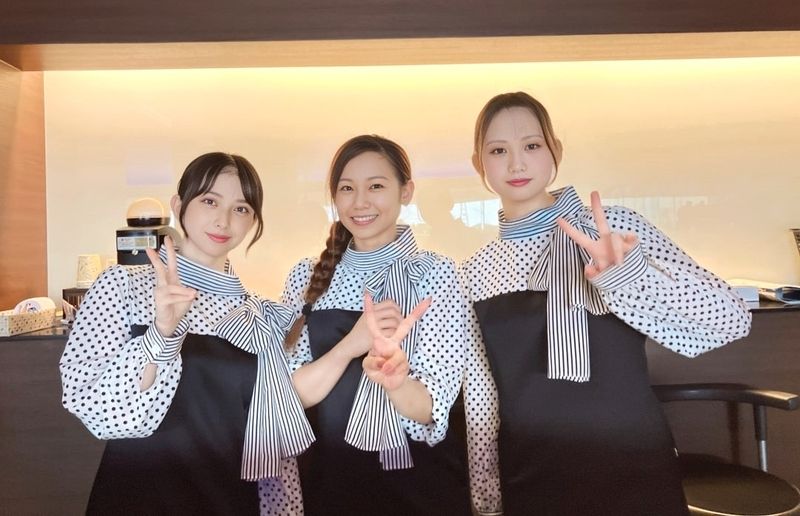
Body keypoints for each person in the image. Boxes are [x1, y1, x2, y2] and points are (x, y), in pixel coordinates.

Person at [459, 92, 753, 516]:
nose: (516, 164)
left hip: (632, 459)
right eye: (498, 151)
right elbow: (482, 397)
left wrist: (630, 276)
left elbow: (731, 319)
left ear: (556, 150)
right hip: (531, 471)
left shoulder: (612, 229)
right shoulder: (474, 271)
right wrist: (486, 497)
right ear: (479, 165)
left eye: (532, 145)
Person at [60, 152, 312, 515]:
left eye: (241, 209)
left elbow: (272, 428)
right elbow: (95, 409)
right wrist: (160, 334)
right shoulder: (123, 285)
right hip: (137, 496)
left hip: (228, 497)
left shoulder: (260, 315)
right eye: (210, 201)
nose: (223, 220)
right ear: (179, 205)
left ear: (253, 221)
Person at [264, 134, 471, 515]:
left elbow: (433, 406)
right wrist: (351, 345)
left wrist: (396, 382)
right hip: (331, 479)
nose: (360, 202)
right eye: (347, 188)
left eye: (376, 186)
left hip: (420, 483)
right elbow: (288, 395)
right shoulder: (305, 277)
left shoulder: (435, 274)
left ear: (406, 191)